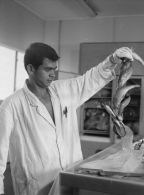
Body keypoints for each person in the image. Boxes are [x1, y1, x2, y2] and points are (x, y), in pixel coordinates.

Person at [0, 42, 134, 195]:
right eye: (47, 69)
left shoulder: (62, 90)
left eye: (54, 69)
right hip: (37, 188)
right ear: (30, 69)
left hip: (72, 180)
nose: (53, 74)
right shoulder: (11, 106)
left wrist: (112, 60)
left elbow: (88, 80)